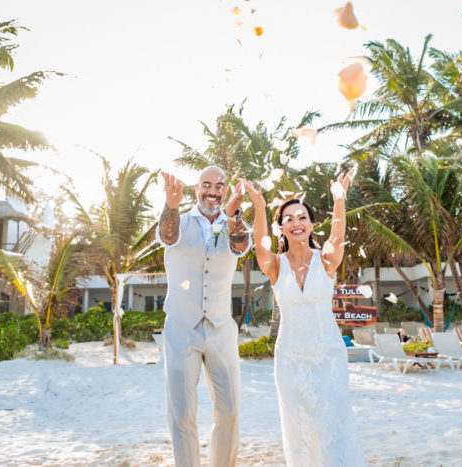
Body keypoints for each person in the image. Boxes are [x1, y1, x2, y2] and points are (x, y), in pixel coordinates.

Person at [243, 171, 367, 466]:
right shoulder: (274, 265)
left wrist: (340, 197)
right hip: (290, 359)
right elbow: (260, 244)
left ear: (311, 225)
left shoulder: (326, 259)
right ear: (281, 228)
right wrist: (259, 206)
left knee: (332, 423)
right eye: (288, 218)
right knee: (299, 429)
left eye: (302, 217)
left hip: (329, 358)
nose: (296, 223)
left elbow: (338, 235)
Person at [157, 167, 250, 467]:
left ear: (225, 191)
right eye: (206, 185)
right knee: (182, 414)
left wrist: (234, 216)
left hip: (222, 327)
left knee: (230, 410)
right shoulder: (178, 222)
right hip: (182, 327)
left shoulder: (235, 224)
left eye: (219, 186)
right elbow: (167, 236)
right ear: (196, 188)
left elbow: (240, 246)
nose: (213, 191)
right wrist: (171, 205)